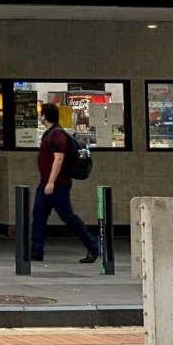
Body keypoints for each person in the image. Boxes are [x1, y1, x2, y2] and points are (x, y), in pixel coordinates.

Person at [32, 103, 99, 263]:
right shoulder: (50, 133)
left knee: (68, 217)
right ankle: (35, 252)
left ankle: (93, 246)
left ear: (44, 116)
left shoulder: (57, 135)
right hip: (47, 183)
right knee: (38, 216)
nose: (39, 117)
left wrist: (51, 182)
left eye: (41, 114)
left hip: (57, 184)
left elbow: (59, 158)